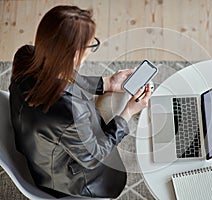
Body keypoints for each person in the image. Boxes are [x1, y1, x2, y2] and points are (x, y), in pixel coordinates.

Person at [9, 5, 151, 198]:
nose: (92, 48)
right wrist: (128, 113)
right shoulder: (71, 112)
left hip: (34, 146)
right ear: (75, 54)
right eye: (91, 44)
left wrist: (108, 83)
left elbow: (65, 78)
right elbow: (94, 156)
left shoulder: (25, 55)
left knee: (114, 97)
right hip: (61, 179)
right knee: (120, 106)